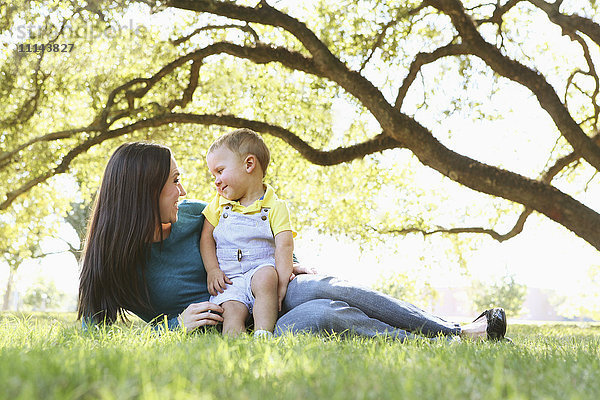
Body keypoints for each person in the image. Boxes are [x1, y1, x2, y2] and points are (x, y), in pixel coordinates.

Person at [77, 141, 509, 343]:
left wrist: (290, 261)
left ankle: (459, 330)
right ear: (143, 190)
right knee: (324, 313)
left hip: (274, 285)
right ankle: (443, 344)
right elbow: (92, 335)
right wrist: (174, 328)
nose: (184, 191)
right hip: (250, 327)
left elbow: (259, 229)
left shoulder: (196, 217)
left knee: (324, 288)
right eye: (174, 181)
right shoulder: (114, 264)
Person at [200, 129, 294, 338]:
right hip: (229, 278)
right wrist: (212, 270)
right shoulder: (219, 204)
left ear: (249, 164)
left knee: (266, 277)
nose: (216, 180)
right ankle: (235, 347)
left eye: (220, 171)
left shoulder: (275, 207)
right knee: (231, 309)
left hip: (259, 269)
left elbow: (284, 245)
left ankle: (263, 334)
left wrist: (282, 282)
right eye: (213, 175)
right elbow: (206, 238)